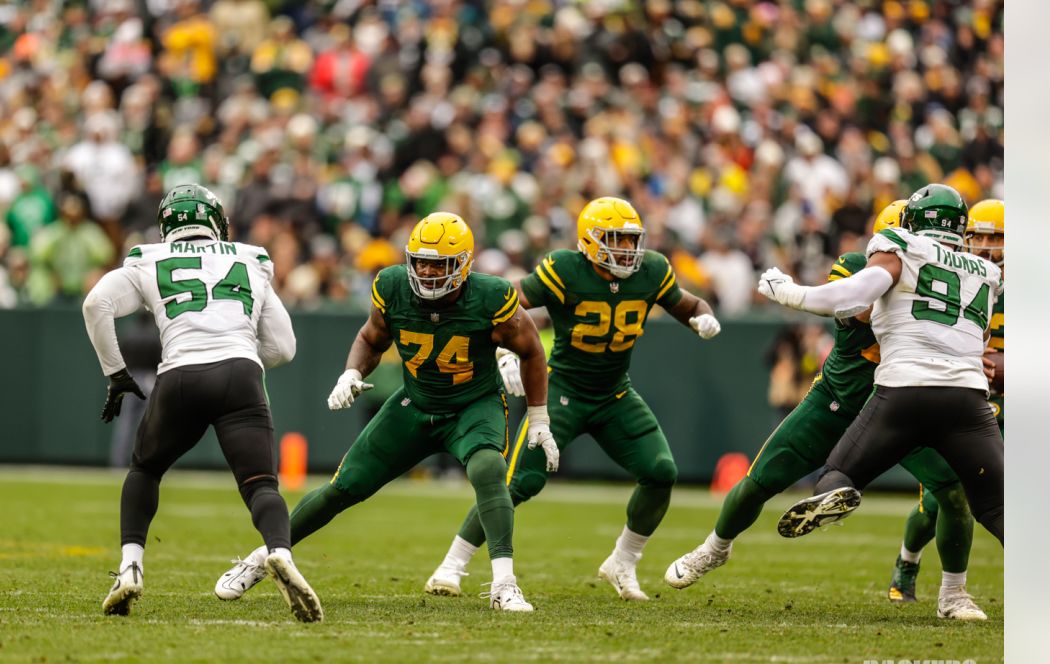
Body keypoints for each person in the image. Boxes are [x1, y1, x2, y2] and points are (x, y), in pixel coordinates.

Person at [212, 212, 558, 612]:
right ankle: (263, 557)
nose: (427, 272)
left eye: (439, 264)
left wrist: (539, 417)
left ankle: (504, 583)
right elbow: (371, 337)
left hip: (472, 404)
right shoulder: (393, 286)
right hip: (416, 404)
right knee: (342, 488)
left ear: (463, 265)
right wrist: (351, 372)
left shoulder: (491, 295)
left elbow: (531, 349)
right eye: (421, 261)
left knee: (488, 469)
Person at [665, 198, 991, 619]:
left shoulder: (952, 277)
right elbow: (851, 311)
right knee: (758, 481)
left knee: (953, 492)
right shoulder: (861, 264)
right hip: (839, 401)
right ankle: (713, 549)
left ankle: (953, 593)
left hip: (902, 405)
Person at [423, 197, 721, 602]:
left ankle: (623, 561)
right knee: (516, 482)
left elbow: (689, 304)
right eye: (616, 240)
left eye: (632, 241)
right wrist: (504, 350)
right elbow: (503, 303)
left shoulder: (651, 270)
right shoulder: (566, 268)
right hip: (563, 392)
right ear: (590, 241)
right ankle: (451, 566)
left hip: (616, 393)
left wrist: (703, 316)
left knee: (661, 471)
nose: (627, 250)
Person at [82, 183, 322, 622]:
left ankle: (130, 567)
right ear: (216, 222)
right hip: (241, 374)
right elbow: (285, 348)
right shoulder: (252, 259)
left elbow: (96, 304)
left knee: (145, 469)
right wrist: (242, 357)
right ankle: (281, 553)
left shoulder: (147, 258)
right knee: (262, 485)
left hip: (178, 376)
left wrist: (116, 375)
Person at [757, 184, 1003, 555]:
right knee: (998, 508)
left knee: (838, 474)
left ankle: (835, 491)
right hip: (967, 398)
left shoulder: (902, 246)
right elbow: (980, 337)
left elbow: (853, 294)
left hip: (905, 389)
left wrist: (790, 291)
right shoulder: (987, 271)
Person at [886, 199, 1005, 606]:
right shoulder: (955, 276)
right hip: (963, 403)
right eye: (981, 236)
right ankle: (908, 559)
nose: (988, 245)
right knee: (940, 500)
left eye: (998, 237)